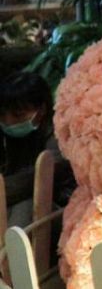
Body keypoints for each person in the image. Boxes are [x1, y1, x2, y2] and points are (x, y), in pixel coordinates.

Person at [2, 71, 72, 228]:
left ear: (41, 110)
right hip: (16, 205)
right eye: (2, 115)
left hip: (61, 211)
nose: (8, 122)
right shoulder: (8, 138)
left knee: (25, 206)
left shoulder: (61, 135)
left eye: (18, 115)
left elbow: (36, 177)